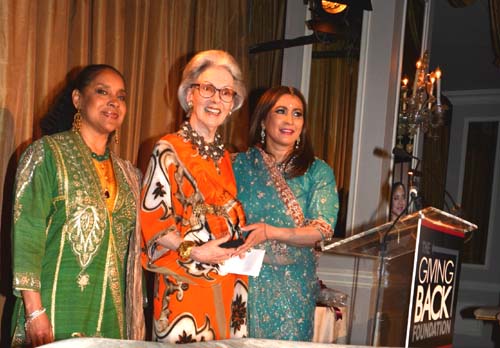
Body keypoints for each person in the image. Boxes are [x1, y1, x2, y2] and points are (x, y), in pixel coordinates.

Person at [10, 64, 145, 347]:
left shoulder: (129, 174)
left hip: (111, 314)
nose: (114, 102)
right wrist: (34, 311)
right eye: (102, 91)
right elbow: (27, 232)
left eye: (121, 96)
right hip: (55, 309)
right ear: (77, 100)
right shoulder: (47, 154)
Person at [140, 50, 248, 343]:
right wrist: (196, 251)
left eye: (226, 92)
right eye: (207, 89)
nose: (216, 99)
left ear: (233, 104)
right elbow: (154, 225)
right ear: (189, 95)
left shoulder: (225, 158)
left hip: (230, 283)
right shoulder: (167, 150)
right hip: (184, 285)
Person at [233, 86, 339, 341]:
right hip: (242, 279)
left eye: (297, 114)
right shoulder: (238, 164)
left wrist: (270, 232)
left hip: (293, 286)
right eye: (281, 111)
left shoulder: (317, 171)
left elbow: (321, 230)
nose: (290, 120)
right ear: (263, 119)